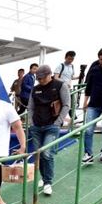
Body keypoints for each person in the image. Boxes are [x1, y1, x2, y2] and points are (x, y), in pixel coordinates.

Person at [27, 65, 71, 196]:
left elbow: (66, 105)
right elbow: (30, 107)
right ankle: (43, 177)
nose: (40, 81)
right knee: (38, 155)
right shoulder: (35, 89)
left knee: (47, 153)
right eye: (38, 78)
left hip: (52, 125)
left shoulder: (60, 85)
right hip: (36, 126)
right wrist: (31, 122)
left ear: (49, 75)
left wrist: (58, 123)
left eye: (42, 78)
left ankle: (48, 182)